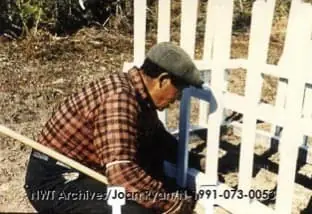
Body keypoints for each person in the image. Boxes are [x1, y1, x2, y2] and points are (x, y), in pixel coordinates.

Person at [24, 42, 205, 214]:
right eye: (179, 91)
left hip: (86, 170)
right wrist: (170, 205)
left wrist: (198, 162)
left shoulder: (139, 95)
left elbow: (159, 139)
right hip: (55, 180)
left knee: (156, 186)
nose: (178, 99)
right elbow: (122, 174)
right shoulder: (120, 98)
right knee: (136, 211)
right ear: (163, 80)